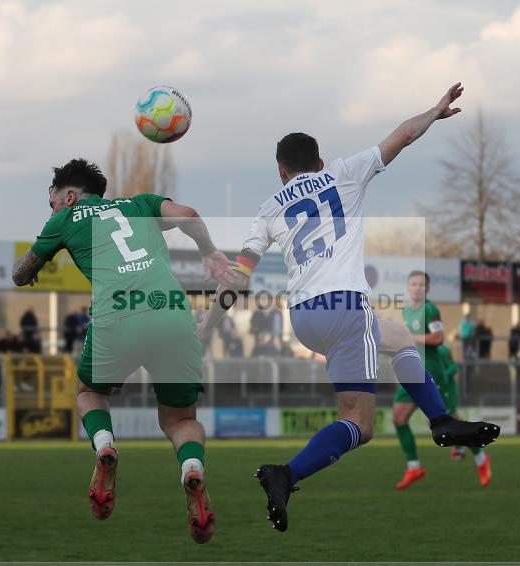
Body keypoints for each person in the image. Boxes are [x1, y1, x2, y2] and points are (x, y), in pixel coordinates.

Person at [197, 83, 499, 532]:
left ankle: (440, 421)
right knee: (360, 423)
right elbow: (401, 135)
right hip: (344, 308)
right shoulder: (342, 173)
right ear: (318, 163)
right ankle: (287, 474)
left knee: (396, 336)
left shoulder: (267, 209)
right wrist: (434, 112)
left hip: (303, 316)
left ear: (282, 172)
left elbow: (238, 278)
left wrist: (205, 329)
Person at [12, 158, 236, 543]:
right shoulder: (140, 205)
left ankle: (104, 446)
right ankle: (191, 468)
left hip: (117, 316)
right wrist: (210, 253)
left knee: (90, 393)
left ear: (68, 196)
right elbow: (189, 215)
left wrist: (31, 268)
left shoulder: (63, 219)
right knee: (180, 421)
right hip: (172, 314)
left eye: (52, 202)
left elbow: (19, 272)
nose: (51, 209)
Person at [393, 271, 490, 489]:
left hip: (432, 373)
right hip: (411, 372)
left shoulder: (430, 309)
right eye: (413, 284)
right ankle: (414, 466)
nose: (417, 288)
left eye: (421, 285)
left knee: (449, 427)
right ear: (408, 288)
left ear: (427, 289)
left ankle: (481, 459)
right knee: (398, 419)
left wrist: (411, 337)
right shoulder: (407, 311)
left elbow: (438, 338)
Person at [441, 344, 491, 486]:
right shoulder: (418, 348)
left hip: (446, 391)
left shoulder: (441, 350)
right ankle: (460, 447)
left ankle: (480, 458)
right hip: (432, 390)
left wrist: (442, 374)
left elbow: (453, 367)